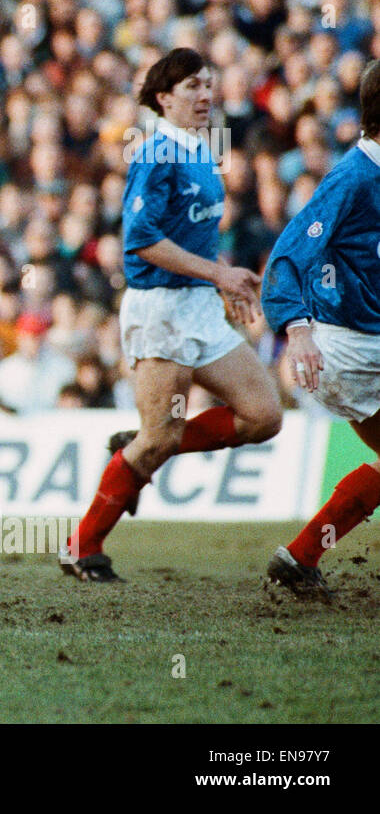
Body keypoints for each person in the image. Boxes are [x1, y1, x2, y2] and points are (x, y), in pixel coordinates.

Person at [63, 48, 282, 582]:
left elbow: (192, 234)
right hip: (159, 309)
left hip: (199, 305)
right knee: (160, 437)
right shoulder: (155, 153)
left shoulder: (203, 150)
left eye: (209, 84)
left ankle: (134, 451)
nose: (206, 94)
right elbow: (139, 242)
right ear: (163, 99)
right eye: (191, 87)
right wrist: (218, 274)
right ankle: (82, 545)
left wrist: (221, 275)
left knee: (263, 415)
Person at [261, 59, 380, 600]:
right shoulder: (352, 178)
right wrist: (297, 329)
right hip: (348, 347)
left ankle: (302, 555)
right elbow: (287, 256)